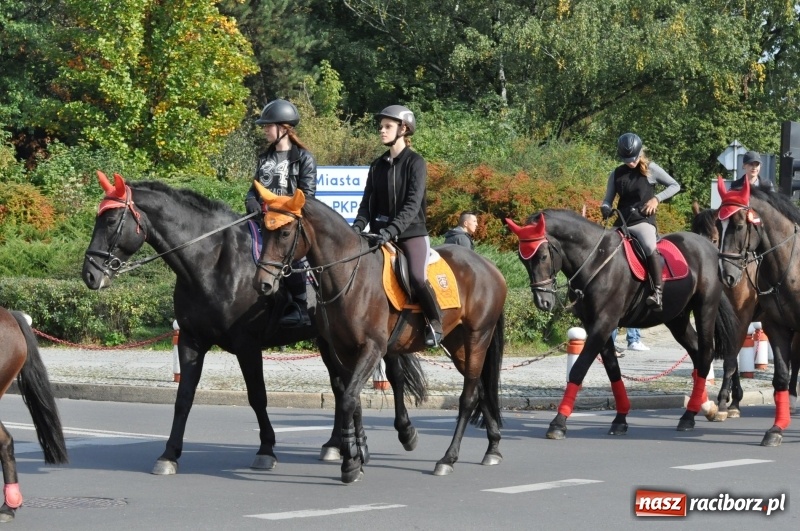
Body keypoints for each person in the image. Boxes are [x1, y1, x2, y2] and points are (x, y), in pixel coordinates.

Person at [351, 105, 443, 347]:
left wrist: (390, 231)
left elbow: (412, 205)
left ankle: (434, 322)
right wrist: (357, 227)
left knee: (417, 277)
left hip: (411, 233)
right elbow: (366, 204)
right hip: (380, 234)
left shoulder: (416, 163)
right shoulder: (376, 166)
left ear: (403, 129)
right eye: (381, 127)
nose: (381, 130)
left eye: (387, 126)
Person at [245, 99, 317, 327]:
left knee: (290, 251)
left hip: (289, 223)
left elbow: (307, 197)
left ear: (284, 128)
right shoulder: (264, 158)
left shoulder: (304, 158)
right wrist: (251, 202)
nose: (265, 129)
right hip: (263, 221)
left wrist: (284, 213)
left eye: (269, 125)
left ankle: (300, 306)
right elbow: (253, 190)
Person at [600, 133, 680, 311]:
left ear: (640, 153)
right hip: (621, 223)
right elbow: (607, 199)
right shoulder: (616, 174)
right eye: (627, 160)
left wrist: (657, 199)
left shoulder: (651, 169)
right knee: (603, 246)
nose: (631, 163)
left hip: (642, 221)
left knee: (649, 246)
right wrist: (605, 207)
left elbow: (675, 185)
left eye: (634, 159)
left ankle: (657, 291)